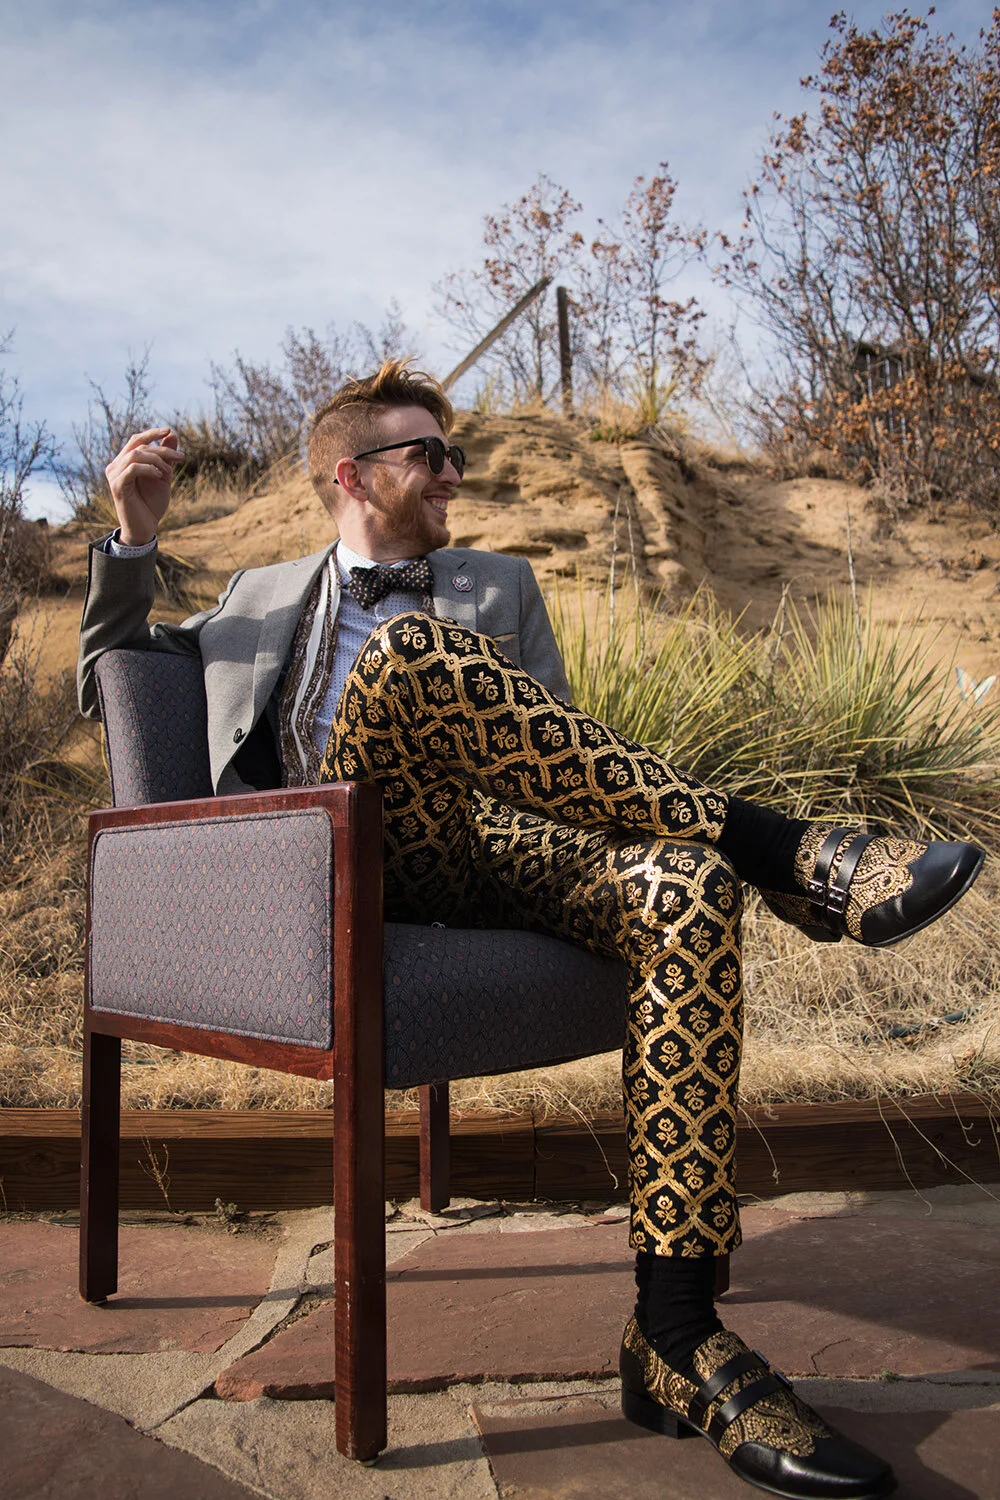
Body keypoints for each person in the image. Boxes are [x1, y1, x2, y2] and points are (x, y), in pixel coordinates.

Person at [79, 359, 983, 1500]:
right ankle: (787, 853)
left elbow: (567, 756)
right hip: (320, 871)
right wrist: (134, 534)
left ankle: (674, 1331)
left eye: (452, 455)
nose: (453, 474)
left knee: (684, 889)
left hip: (493, 845)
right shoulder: (258, 595)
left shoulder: (499, 584)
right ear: (352, 474)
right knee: (408, 655)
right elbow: (110, 667)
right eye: (428, 455)